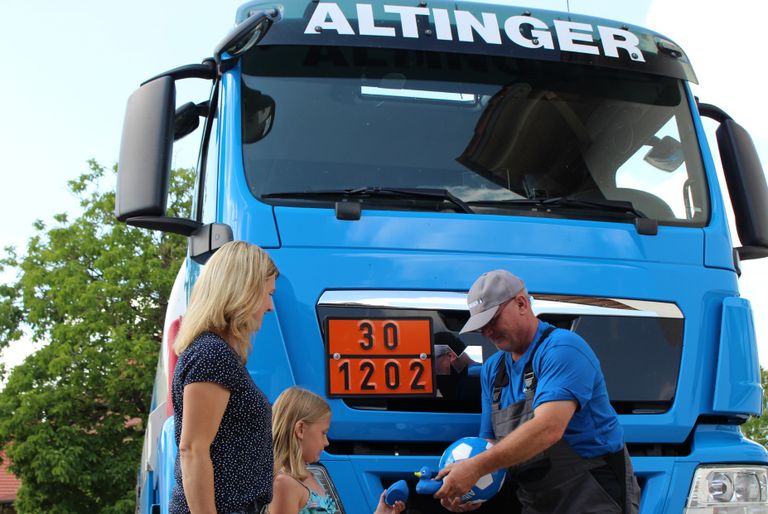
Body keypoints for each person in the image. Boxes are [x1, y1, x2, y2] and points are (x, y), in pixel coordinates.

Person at [434, 270, 640, 514]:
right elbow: (489, 445)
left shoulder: (562, 349)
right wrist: (477, 489)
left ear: (521, 303)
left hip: (591, 496)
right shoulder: (493, 370)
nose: (487, 332)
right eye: (481, 326)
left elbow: (548, 428)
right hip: (537, 503)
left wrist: (476, 468)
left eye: (492, 321)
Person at [170, 241, 279, 514]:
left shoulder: (217, 354)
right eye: (267, 294)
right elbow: (193, 450)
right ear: (243, 292)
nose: (270, 307)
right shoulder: (212, 355)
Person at [269, 386, 406, 514]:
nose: (326, 442)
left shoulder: (311, 477)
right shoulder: (284, 485)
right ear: (300, 430)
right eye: (323, 433)